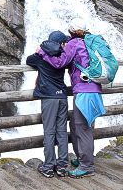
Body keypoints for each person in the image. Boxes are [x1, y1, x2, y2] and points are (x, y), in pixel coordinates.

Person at [37, 18, 105, 178]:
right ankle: (82, 158)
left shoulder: (74, 43)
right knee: (76, 125)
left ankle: (87, 166)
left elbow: (60, 62)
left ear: (71, 31)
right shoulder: (89, 41)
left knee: (82, 128)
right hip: (94, 88)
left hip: (84, 90)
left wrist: (42, 53)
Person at [26, 31, 69, 178]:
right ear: (61, 43)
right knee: (62, 131)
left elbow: (28, 60)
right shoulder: (64, 56)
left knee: (49, 131)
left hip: (49, 98)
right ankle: (62, 166)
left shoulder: (41, 57)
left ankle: (48, 166)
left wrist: (39, 52)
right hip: (62, 96)